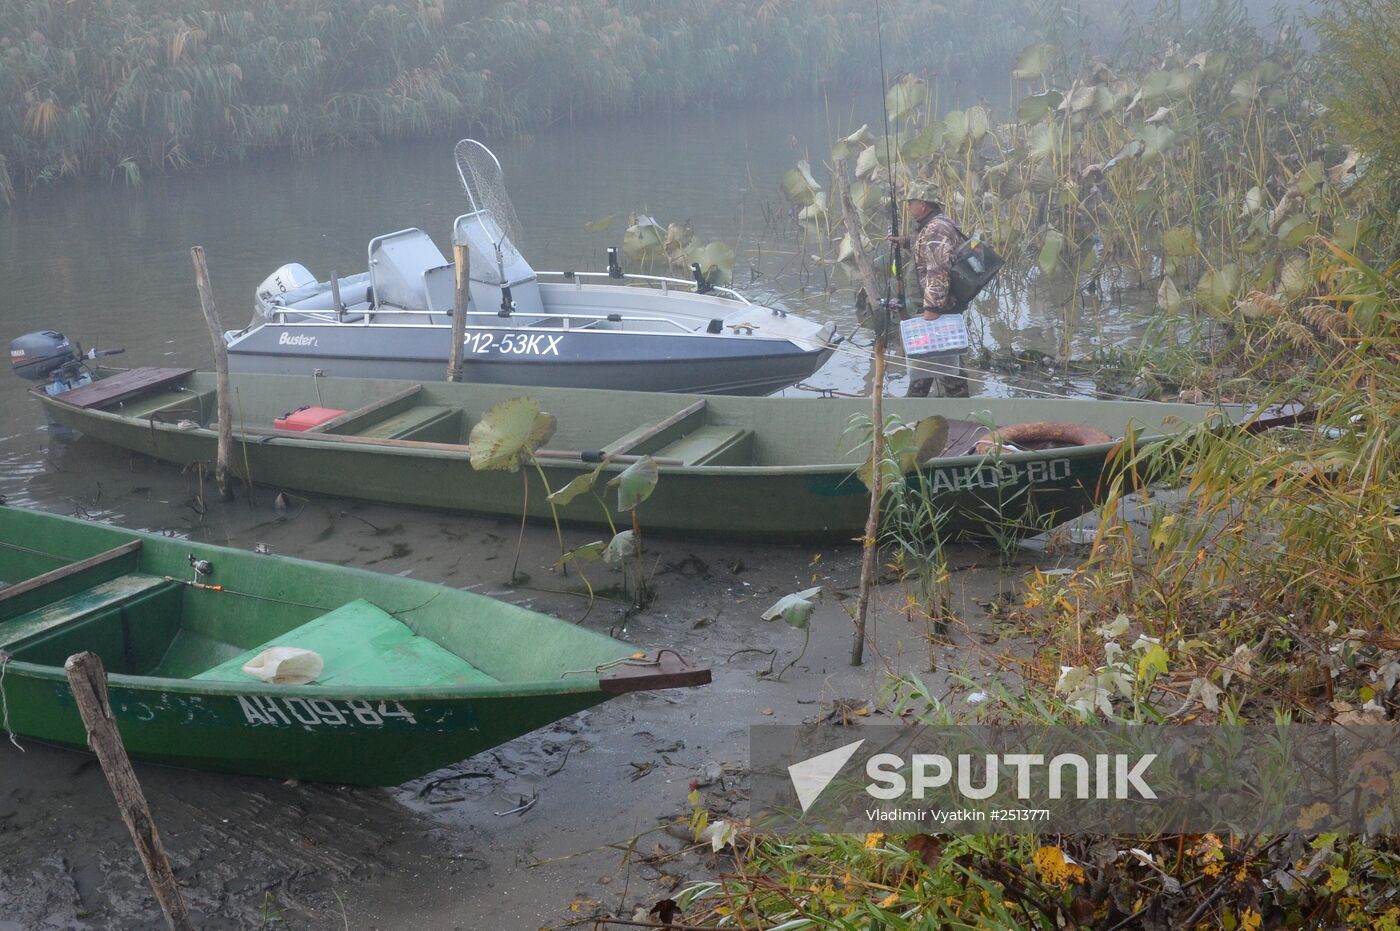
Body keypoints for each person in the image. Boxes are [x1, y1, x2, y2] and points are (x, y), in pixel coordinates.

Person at [886, 181, 970, 398]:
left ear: (923, 204)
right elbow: (928, 249)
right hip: (942, 306)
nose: (908, 207)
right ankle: (917, 409)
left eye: (911, 202)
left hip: (939, 309)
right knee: (927, 363)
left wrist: (931, 309)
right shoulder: (934, 225)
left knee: (946, 367)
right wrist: (905, 242)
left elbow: (938, 271)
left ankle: (959, 416)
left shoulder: (935, 229)